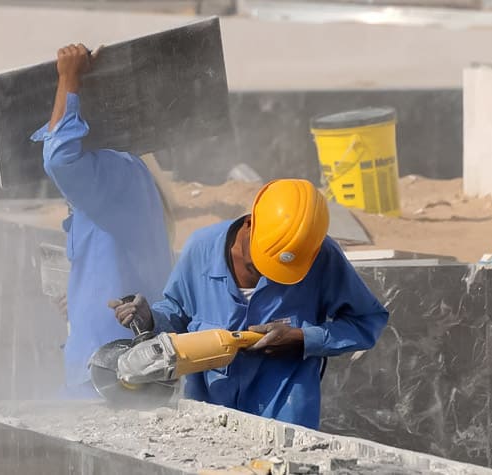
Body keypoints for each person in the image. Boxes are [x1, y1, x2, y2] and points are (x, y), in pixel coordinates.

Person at [112, 179, 388, 429]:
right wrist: (150, 319)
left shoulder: (321, 257)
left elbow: (367, 321)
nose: (268, 275)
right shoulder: (201, 250)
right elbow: (177, 314)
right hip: (207, 419)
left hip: (285, 420)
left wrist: (304, 338)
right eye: (261, 264)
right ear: (249, 224)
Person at [31, 43, 172, 398]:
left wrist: (70, 77)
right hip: (113, 369)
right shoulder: (122, 176)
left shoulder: (112, 173)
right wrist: (78, 301)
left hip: (111, 375)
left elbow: (59, 157)